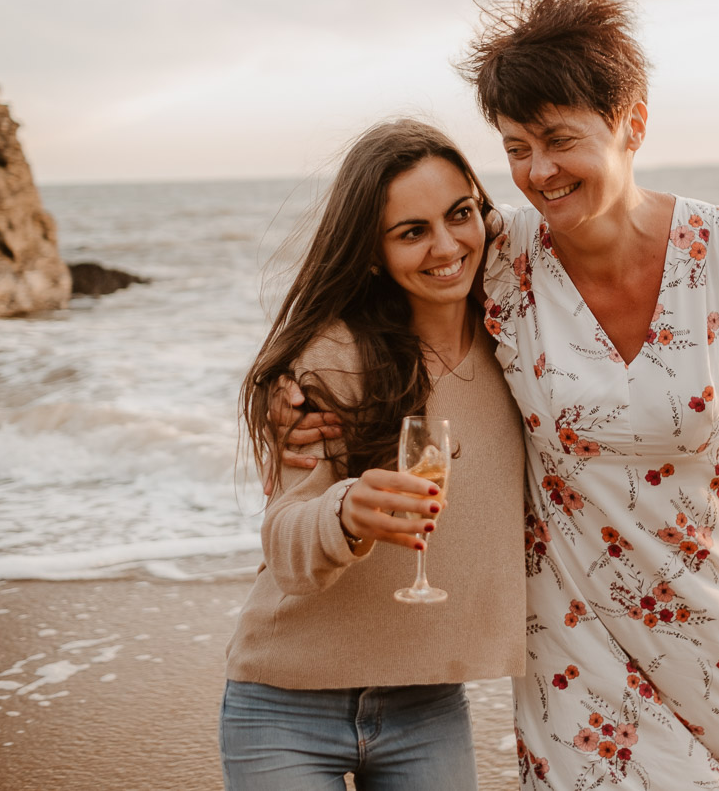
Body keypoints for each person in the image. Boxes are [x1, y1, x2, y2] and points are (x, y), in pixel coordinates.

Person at [275, 0, 719, 791]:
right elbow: (396, 283)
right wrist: (304, 393)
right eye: (517, 149)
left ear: (632, 122)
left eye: (561, 140)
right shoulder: (501, 261)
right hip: (569, 626)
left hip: (709, 606)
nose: (538, 173)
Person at [220, 120, 526, 791]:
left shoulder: (522, 346)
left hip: (429, 701)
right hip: (284, 704)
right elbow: (285, 541)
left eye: (460, 214)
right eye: (411, 232)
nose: (447, 246)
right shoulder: (331, 360)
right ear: (370, 254)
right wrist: (345, 515)